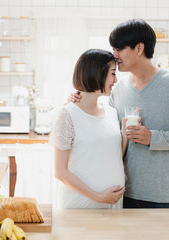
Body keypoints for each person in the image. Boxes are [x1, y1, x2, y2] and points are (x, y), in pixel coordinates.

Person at [70, 19, 169, 208]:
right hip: (122, 192)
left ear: (139, 49)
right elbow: (107, 131)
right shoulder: (118, 89)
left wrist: (154, 138)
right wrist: (79, 99)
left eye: (118, 49)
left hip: (164, 196)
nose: (114, 55)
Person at [52, 49, 126, 209]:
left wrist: (125, 135)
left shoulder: (112, 113)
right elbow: (60, 172)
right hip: (80, 206)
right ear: (96, 73)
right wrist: (98, 197)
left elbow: (113, 156)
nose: (116, 79)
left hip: (112, 206)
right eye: (113, 73)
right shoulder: (67, 114)